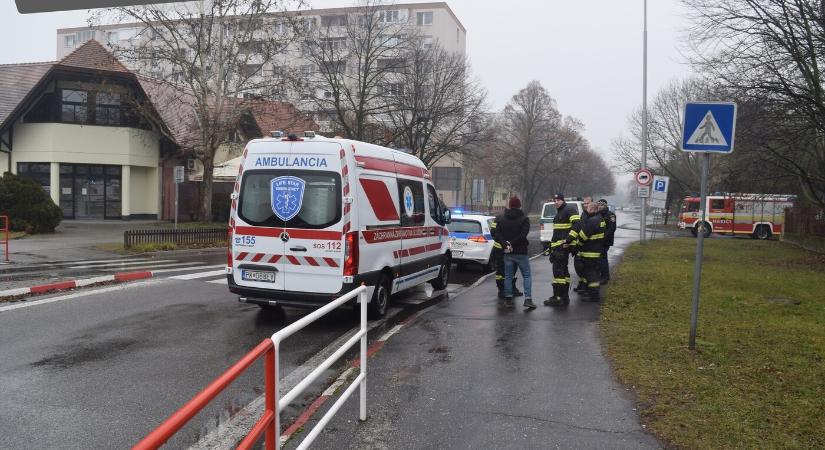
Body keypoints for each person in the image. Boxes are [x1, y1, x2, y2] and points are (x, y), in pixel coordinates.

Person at [495, 196, 534, 309]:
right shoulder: (524, 219)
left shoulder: (502, 219)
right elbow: (523, 235)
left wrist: (506, 244)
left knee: (508, 276)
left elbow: (497, 234)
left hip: (507, 252)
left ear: (510, 205)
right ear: (519, 205)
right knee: (526, 275)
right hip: (521, 252)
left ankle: (508, 299)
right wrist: (512, 243)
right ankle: (528, 300)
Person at [545, 193, 581, 307]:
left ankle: (558, 297)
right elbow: (556, 233)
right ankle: (564, 297)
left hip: (562, 247)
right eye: (554, 200)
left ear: (563, 200)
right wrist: (550, 247)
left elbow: (577, 225)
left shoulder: (569, 210)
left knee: (558, 272)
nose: (556, 202)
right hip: (557, 247)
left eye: (558, 200)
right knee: (563, 272)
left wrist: (568, 240)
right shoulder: (559, 212)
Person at [575, 201, 606, 301]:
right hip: (596, 251)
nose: (586, 210)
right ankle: (591, 292)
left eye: (587, 208)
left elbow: (583, 236)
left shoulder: (592, 220)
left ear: (592, 209)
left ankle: (593, 295)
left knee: (591, 274)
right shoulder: (601, 219)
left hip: (590, 252)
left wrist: (577, 245)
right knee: (594, 274)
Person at [490, 218, 522, 299]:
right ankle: (502, 290)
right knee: (501, 270)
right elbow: (493, 232)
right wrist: (502, 240)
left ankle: (511, 288)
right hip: (500, 249)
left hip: (511, 248)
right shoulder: (499, 218)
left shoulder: (516, 217)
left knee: (513, 268)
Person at [573, 196, 594, 294]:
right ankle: (582, 284)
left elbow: (587, 231)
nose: (585, 205)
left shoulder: (593, 216)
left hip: (589, 245)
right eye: (584, 204)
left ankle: (586, 288)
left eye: (587, 203)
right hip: (582, 244)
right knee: (580, 266)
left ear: (592, 203)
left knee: (585, 268)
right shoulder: (584, 214)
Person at [598, 199, 617, 284]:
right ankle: (603, 276)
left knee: (603, 258)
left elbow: (612, 228)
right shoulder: (598, 214)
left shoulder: (610, 215)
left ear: (605, 205)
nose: (600, 206)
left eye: (602, 205)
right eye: (599, 205)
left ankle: (605, 277)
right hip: (598, 240)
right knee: (600, 258)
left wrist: (604, 237)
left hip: (605, 240)